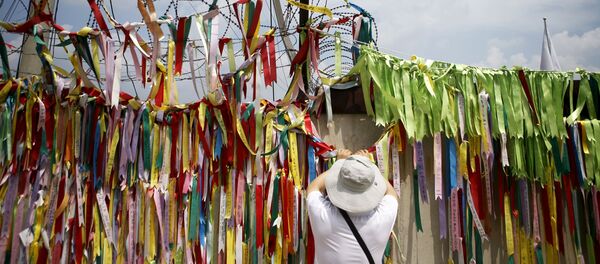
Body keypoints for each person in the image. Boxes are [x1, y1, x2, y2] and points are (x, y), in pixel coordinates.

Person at [306, 149, 399, 264]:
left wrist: (339, 165)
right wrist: (367, 166)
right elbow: (391, 193)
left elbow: (313, 188)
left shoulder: (324, 216)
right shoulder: (383, 217)